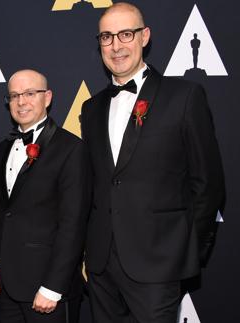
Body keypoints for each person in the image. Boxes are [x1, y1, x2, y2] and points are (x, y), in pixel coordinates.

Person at [80, 3, 226, 322]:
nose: (116, 45)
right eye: (107, 37)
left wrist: (186, 254)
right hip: (102, 266)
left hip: (159, 263)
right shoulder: (90, 109)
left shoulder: (184, 96)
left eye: (126, 34)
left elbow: (208, 184)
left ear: (144, 37)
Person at [0, 70, 90, 323]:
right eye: (14, 95)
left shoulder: (71, 149)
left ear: (48, 97)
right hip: (6, 286)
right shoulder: (4, 147)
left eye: (30, 93)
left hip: (48, 289)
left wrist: (53, 287)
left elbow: (73, 225)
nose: (21, 102)